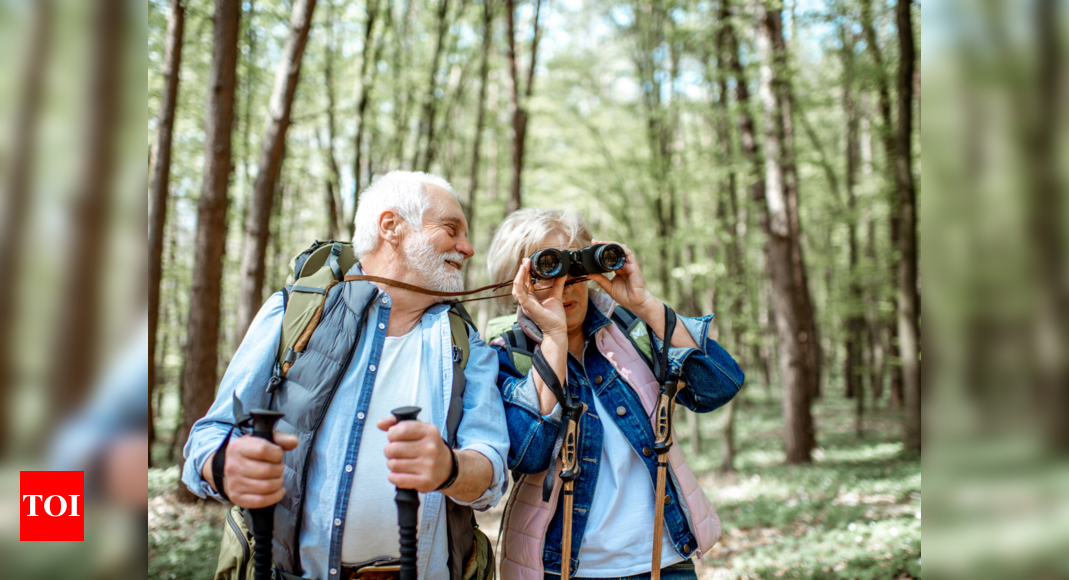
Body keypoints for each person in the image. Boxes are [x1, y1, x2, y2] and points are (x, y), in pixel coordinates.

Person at [181, 171, 509, 579]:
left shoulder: (468, 344)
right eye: (451, 229)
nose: (468, 247)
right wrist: (225, 465)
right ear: (391, 227)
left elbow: (491, 474)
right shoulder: (294, 313)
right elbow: (207, 439)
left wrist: (449, 467)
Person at [486, 209, 743, 580]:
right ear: (516, 283)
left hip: (664, 562)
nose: (565, 285)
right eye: (548, 269)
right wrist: (554, 339)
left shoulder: (631, 331)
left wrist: (646, 305)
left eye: (574, 267)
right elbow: (528, 452)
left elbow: (718, 387)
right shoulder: (508, 355)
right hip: (564, 569)